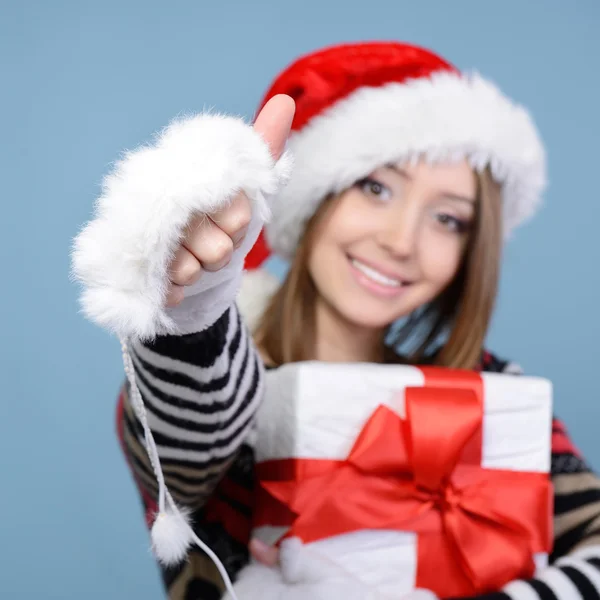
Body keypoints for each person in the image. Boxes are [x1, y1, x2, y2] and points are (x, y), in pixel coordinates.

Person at [72, 41, 600, 600]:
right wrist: (200, 305)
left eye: (448, 219)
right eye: (375, 188)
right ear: (314, 198)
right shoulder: (211, 385)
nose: (400, 241)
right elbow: (193, 432)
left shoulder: (495, 397)